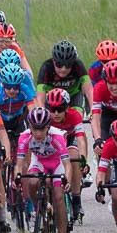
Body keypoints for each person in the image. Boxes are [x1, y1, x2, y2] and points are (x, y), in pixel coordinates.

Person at [16, 106, 72, 233]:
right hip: (39, 163)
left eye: (42, 129)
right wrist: (17, 177)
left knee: (59, 197)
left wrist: (67, 180)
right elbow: (19, 164)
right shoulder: (24, 137)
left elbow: (67, 164)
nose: (38, 133)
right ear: (30, 127)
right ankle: (39, 208)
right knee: (31, 182)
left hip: (56, 164)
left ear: (48, 127)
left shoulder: (57, 136)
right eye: (35, 129)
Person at [43, 88, 88, 219]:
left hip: (70, 139)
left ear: (67, 108)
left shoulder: (74, 115)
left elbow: (81, 139)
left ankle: (76, 198)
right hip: (52, 142)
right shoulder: (45, 117)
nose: (56, 113)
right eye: (52, 110)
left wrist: (83, 160)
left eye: (60, 109)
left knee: (73, 157)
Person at [36, 40, 93, 113]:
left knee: (77, 115)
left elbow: (89, 90)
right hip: (53, 98)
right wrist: (42, 111)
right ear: (53, 61)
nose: (63, 69)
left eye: (68, 65)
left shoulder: (78, 65)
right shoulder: (46, 67)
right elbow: (40, 94)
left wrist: (93, 110)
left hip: (73, 95)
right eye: (59, 64)